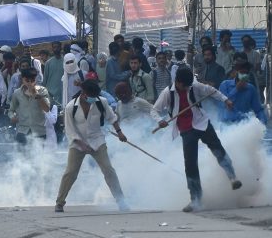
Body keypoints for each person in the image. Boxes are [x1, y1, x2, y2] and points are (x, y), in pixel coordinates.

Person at [151, 68, 242, 213]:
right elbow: (154, 110)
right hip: (186, 130)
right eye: (185, 86)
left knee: (218, 149)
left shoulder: (195, 86)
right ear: (178, 82)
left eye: (189, 85)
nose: (187, 88)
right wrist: (160, 120)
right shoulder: (168, 93)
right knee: (190, 164)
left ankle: (232, 177)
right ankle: (196, 200)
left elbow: (212, 91)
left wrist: (226, 100)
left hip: (202, 123)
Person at [54, 79, 129, 213]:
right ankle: (59, 203)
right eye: (91, 97)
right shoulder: (71, 107)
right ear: (83, 94)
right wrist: (82, 144)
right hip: (78, 143)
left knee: (109, 170)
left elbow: (112, 118)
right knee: (70, 173)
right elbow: (70, 130)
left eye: (95, 97)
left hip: (97, 140)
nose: (93, 99)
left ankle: (121, 201)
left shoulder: (101, 102)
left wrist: (120, 132)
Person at [8, 68, 50, 146]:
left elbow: (47, 109)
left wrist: (37, 95)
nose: (30, 83)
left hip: (39, 131)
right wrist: (12, 117)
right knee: (21, 157)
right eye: (27, 80)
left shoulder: (43, 91)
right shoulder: (17, 93)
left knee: (39, 157)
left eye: (32, 80)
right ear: (22, 79)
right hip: (22, 131)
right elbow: (11, 110)